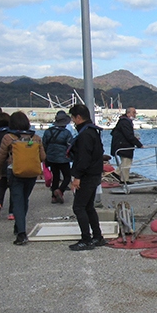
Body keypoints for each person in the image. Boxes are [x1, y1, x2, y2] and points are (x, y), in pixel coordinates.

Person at [0, 111, 46, 246]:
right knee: (24, 199)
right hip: (32, 173)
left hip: (15, 172)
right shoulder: (36, 138)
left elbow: (0, 157)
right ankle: (19, 226)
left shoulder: (8, 138)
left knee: (17, 200)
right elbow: (43, 157)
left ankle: (21, 233)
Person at [68, 103, 106, 251]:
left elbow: (83, 158)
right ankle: (97, 236)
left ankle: (86, 239)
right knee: (88, 206)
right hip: (94, 173)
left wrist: (77, 176)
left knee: (78, 207)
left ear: (78, 117)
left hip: (87, 175)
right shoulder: (93, 131)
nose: (73, 121)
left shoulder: (85, 134)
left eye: (73, 118)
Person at [42, 110, 74, 203]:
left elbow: (44, 144)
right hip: (63, 158)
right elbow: (70, 146)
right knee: (67, 177)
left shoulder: (48, 132)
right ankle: (60, 190)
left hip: (51, 158)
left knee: (55, 177)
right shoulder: (67, 133)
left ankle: (53, 197)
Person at [110, 107, 143, 184]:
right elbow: (129, 135)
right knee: (126, 162)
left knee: (125, 162)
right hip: (124, 146)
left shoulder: (124, 121)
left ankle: (122, 178)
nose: (135, 115)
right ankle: (121, 177)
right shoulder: (125, 122)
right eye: (134, 113)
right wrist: (139, 144)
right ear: (129, 113)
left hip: (122, 144)